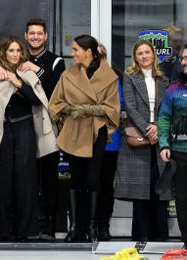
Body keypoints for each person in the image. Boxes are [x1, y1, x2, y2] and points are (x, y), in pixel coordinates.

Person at [0, 18, 65, 241]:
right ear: (4, 53)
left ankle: (26, 230)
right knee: (2, 182)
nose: (15, 54)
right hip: (3, 133)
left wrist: (18, 84)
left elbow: (37, 100)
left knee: (26, 183)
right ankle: (2, 230)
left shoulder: (28, 74)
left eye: (18, 50)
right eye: (11, 50)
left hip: (26, 130)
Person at [49, 35, 120, 242]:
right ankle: (74, 228)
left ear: (89, 52)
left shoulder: (109, 76)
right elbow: (55, 104)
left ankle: (92, 228)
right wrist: (70, 111)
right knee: (75, 179)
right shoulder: (68, 74)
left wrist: (87, 109)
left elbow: (113, 109)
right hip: (74, 131)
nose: (72, 54)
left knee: (93, 179)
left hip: (96, 132)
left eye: (75, 50)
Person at [114, 40, 171, 241]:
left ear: (154, 55)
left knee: (160, 191)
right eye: (140, 53)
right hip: (139, 138)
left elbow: (167, 107)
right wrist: (149, 130)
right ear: (135, 57)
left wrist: (159, 128)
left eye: (147, 52)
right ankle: (141, 239)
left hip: (160, 136)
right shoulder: (130, 76)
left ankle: (160, 239)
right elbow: (129, 106)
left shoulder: (163, 78)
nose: (144, 56)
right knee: (140, 194)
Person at [158, 44, 187, 248]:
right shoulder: (173, 89)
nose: (184, 62)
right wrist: (163, 144)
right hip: (179, 152)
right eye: (183, 58)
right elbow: (164, 118)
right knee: (183, 200)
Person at [96, 43, 123, 241]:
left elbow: (116, 106)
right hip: (83, 140)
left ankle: (103, 226)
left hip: (109, 141)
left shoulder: (114, 76)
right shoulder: (76, 76)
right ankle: (86, 226)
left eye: (99, 54)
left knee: (105, 185)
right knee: (86, 185)